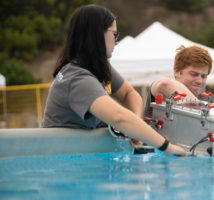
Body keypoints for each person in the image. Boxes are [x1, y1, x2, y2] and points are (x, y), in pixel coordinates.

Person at [41, 4, 187, 156]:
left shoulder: (98, 67)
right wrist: (166, 147)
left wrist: (136, 128)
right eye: (115, 35)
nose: (116, 41)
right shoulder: (77, 78)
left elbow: (129, 94)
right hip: (61, 157)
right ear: (97, 35)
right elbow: (119, 118)